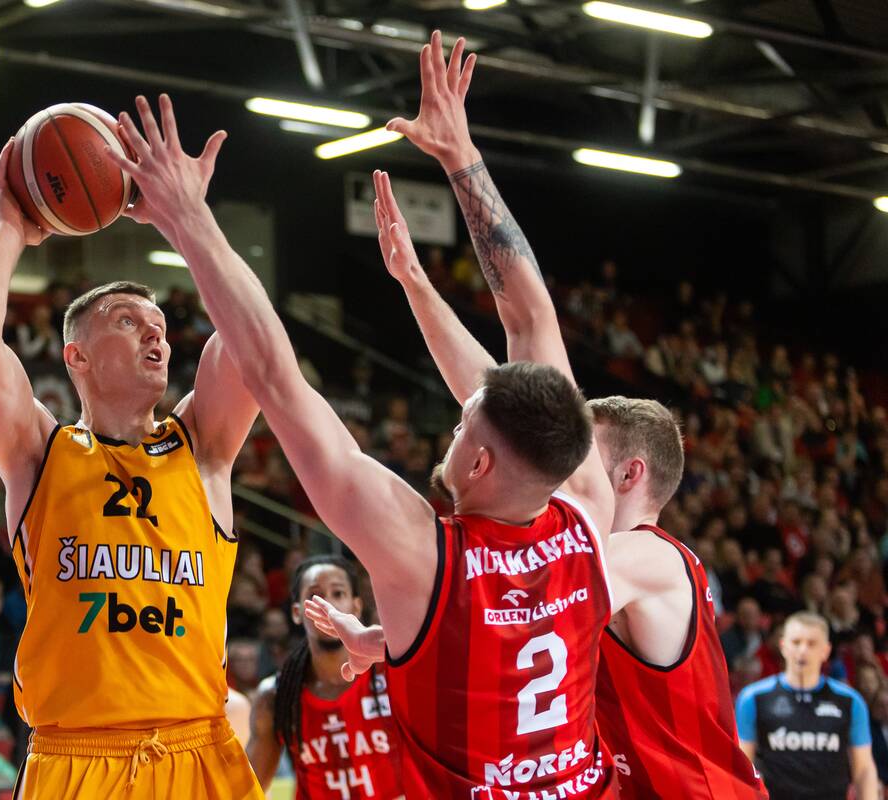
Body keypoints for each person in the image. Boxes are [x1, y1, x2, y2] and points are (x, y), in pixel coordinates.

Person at [107, 71, 613, 800]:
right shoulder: (587, 509)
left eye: (462, 419)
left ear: (477, 462)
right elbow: (532, 320)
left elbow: (276, 377)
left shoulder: (424, 557)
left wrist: (188, 217)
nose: (454, 419)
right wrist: (458, 162)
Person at [364, 154, 767, 794]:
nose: (559, 465)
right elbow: (496, 405)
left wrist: (399, 633)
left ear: (629, 474)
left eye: (582, 455)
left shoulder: (647, 558)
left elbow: (488, 609)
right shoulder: (595, 559)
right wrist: (416, 283)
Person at [0, 134, 262, 796]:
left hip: (197, 753)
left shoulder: (203, 446)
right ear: (77, 357)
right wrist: (11, 226)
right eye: (126, 321)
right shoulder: (39, 452)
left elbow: (253, 335)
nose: (155, 332)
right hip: (76, 759)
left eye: (159, 325)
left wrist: (189, 219)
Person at [247, 556, 403, 799]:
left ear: (356, 606)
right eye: (314, 596)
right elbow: (246, 791)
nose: (327, 605)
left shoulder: (394, 674)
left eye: (338, 593)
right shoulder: (275, 695)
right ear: (297, 612)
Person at [736, 612, 878, 799]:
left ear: (826, 650)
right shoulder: (754, 698)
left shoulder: (850, 701)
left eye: (811, 644)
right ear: (783, 646)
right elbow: (742, 768)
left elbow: (864, 769)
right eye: (796, 642)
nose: (802, 650)